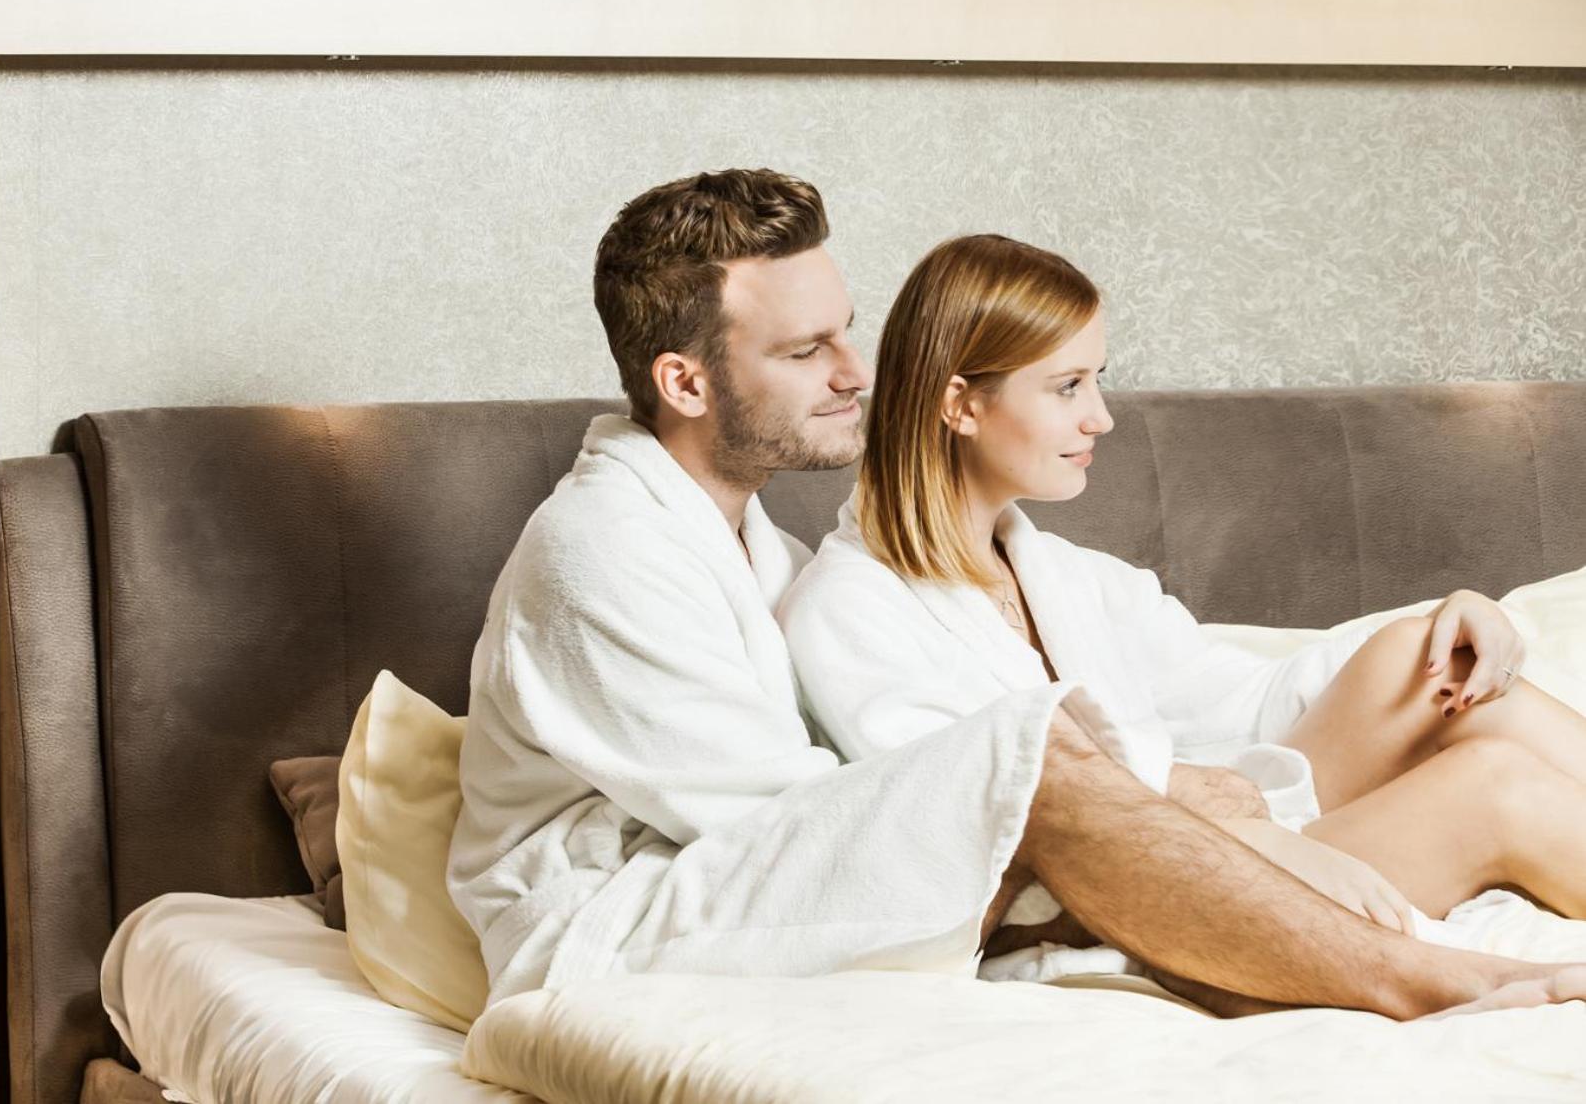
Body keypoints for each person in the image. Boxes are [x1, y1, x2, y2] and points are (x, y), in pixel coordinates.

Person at [448, 169, 1586, 1019]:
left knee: (1385, 673)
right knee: (1027, 754)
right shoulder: (605, 549)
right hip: (620, 931)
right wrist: (1172, 813)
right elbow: (784, 817)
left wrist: (1190, 794)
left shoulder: (751, 548)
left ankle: (1309, 938)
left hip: (757, 884)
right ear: (685, 381)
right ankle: (1408, 975)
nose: (855, 371)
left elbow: (1215, 690)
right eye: (804, 351)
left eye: (847, 331)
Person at [778, 231, 1586, 993]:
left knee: (1430, 656)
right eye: (1067, 386)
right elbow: (986, 834)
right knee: (1497, 784)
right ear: (960, 403)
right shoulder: (849, 609)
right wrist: (1245, 839)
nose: (1101, 417)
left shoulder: (1074, 579)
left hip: (1225, 840)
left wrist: (1453, 613)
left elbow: (1245, 698)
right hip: (1146, 900)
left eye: (1096, 380)